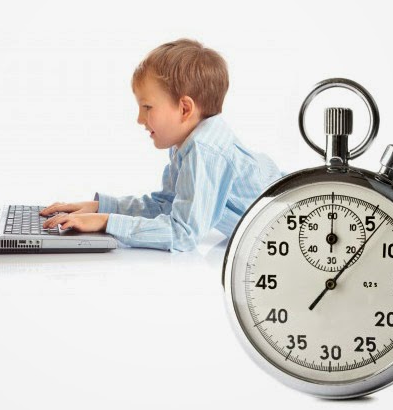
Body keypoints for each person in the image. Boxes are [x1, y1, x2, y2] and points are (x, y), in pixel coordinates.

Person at [41, 39, 283, 251]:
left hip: (286, 224)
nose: (139, 119)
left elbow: (183, 233)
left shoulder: (204, 150)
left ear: (185, 108)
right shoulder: (186, 144)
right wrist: (100, 208)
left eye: (147, 107)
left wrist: (107, 222)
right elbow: (167, 205)